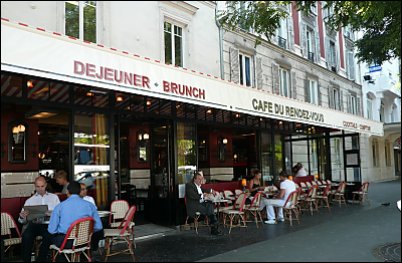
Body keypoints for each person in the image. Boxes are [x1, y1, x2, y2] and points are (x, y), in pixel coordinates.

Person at [48, 181, 104, 258]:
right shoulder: (90, 205)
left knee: (49, 237)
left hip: (66, 242)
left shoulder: (60, 207)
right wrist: (84, 232)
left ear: (67, 191)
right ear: (79, 191)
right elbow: (98, 226)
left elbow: (52, 230)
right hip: (85, 241)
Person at [18, 176, 60, 262]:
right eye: (38, 186)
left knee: (48, 236)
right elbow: (22, 221)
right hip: (34, 224)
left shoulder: (54, 198)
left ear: (46, 185)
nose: (40, 189)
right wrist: (22, 217)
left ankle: (41, 259)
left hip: (49, 224)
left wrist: (52, 214)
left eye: (42, 186)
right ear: (35, 186)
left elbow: (60, 214)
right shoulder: (30, 201)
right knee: (26, 236)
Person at [185, 171, 222, 235]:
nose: (200, 180)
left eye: (201, 179)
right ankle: (214, 226)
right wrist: (203, 195)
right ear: (195, 179)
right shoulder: (189, 185)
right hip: (194, 206)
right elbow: (193, 195)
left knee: (210, 204)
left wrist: (211, 191)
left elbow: (204, 190)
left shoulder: (199, 186)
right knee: (210, 210)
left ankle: (214, 226)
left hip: (201, 204)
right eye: (199, 179)